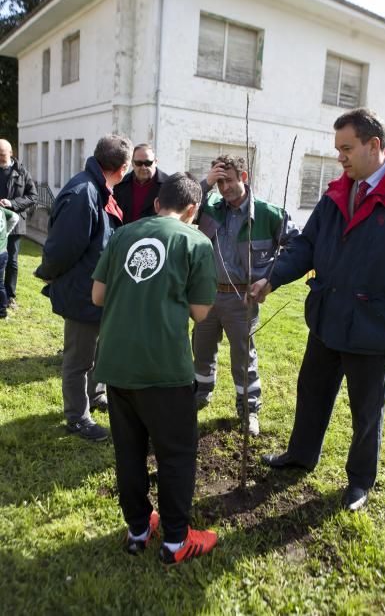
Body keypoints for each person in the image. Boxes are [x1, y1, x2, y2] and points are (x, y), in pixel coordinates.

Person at [251, 108, 385, 510]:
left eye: (346, 148)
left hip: (374, 327)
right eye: (337, 148)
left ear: (374, 146)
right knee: (311, 392)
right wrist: (273, 277)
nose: (339, 157)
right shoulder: (338, 191)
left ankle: (359, 481)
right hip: (327, 316)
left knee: (366, 410)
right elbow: (306, 244)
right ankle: (301, 454)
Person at [91, 172, 218, 565]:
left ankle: (138, 530)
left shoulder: (125, 234)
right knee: (176, 454)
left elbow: (97, 296)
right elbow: (200, 313)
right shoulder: (196, 240)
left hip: (115, 364)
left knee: (128, 452)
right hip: (164, 369)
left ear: (158, 202)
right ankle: (176, 541)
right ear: (192, 210)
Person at [35, 135, 132, 442]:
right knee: (79, 360)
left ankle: (93, 396)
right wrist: (48, 275)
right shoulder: (83, 193)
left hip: (97, 291)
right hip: (82, 292)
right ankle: (77, 418)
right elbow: (61, 248)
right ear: (123, 167)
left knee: (95, 354)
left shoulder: (98, 188)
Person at [193, 154, 299, 436]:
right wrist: (206, 182)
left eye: (228, 180)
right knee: (201, 348)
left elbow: (297, 247)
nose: (224, 188)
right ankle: (201, 393)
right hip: (207, 295)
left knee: (243, 356)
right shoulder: (210, 207)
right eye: (219, 182)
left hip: (242, 299)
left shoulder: (268, 214)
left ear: (244, 177)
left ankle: (248, 409)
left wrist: (270, 278)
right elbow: (185, 200)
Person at [0, 138, 38, 309]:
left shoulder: (22, 172)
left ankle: (10, 296)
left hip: (15, 223)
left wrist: (12, 204)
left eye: (2, 154)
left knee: (12, 261)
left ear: (10, 153)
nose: (0, 158)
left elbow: (33, 197)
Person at [113, 143, 168, 223]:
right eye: (139, 163)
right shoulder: (120, 184)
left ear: (155, 162)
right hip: (126, 234)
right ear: (132, 163)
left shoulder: (168, 186)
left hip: (154, 234)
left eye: (148, 163)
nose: (143, 167)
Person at [0, 206, 20, 319]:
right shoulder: (2, 210)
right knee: (0, 284)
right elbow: (15, 217)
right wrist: (7, 232)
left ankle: (2, 311)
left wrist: (7, 232)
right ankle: (2, 311)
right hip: (3, 253)